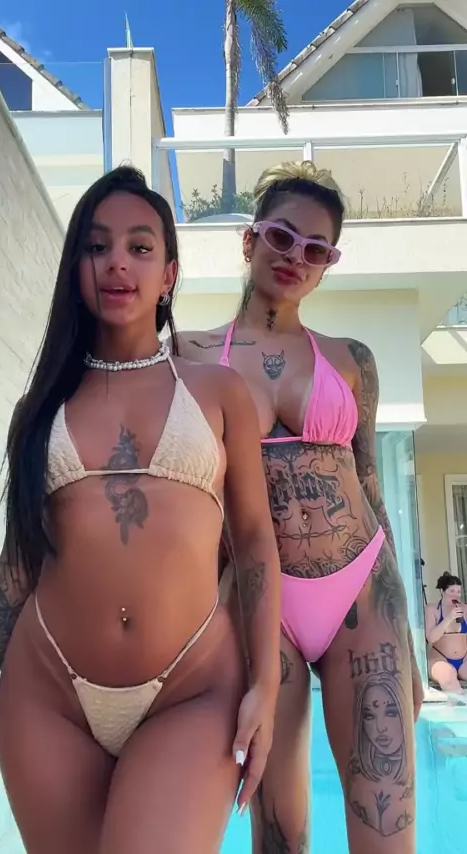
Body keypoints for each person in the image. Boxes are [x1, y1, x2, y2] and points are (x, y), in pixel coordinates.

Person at [0, 166, 282, 854]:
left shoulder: (219, 393)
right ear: (77, 270)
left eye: (140, 247)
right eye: (97, 246)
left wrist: (265, 687)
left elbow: (254, 544)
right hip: (48, 697)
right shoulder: (40, 409)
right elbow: (17, 568)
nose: (118, 262)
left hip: (193, 691)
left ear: (169, 274)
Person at [176, 161, 423, 854]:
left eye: (318, 250)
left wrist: (405, 642)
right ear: (250, 239)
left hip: (363, 594)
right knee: (280, 836)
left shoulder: (351, 360)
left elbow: (370, 485)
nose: (296, 257)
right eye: (282, 237)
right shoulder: (188, 354)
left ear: (326, 268)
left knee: (388, 831)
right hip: (263, 607)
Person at [426, 572, 467, 693]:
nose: (456, 595)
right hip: (440, 658)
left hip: (464, 659)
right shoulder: (433, 609)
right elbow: (431, 638)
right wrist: (449, 618)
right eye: (452, 591)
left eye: (458, 592)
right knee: (449, 679)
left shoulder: (464, 609)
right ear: (442, 591)